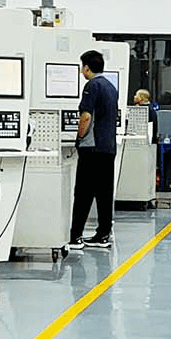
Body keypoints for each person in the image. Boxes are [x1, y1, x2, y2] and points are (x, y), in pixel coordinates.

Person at [69, 49, 121, 251]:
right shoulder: (110, 87)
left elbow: (86, 116)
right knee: (104, 193)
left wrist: (79, 137)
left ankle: (75, 237)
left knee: (83, 193)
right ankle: (103, 234)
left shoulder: (92, 86)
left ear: (86, 67)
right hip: (108, 148)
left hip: (91, 148)